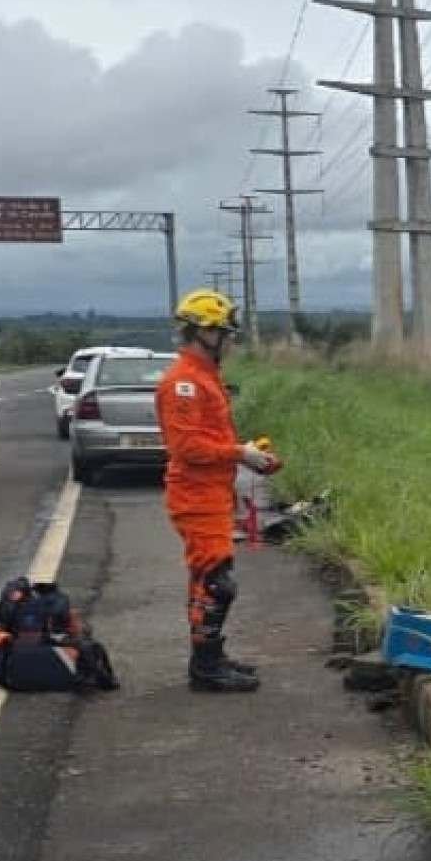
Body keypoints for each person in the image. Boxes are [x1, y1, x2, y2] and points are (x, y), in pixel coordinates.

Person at [155, 290, 279, 692]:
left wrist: (249, 455)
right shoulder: (184, 384)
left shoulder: (205, 377)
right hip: (196, 496)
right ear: (203, 333)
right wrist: (239, 454)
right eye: (225, 333)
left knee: (208, 580)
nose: (231, 341)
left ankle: (210, 658)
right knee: (216, 584)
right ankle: (206, 669)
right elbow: (187, 448)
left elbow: (210, 439)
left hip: (211, 492)